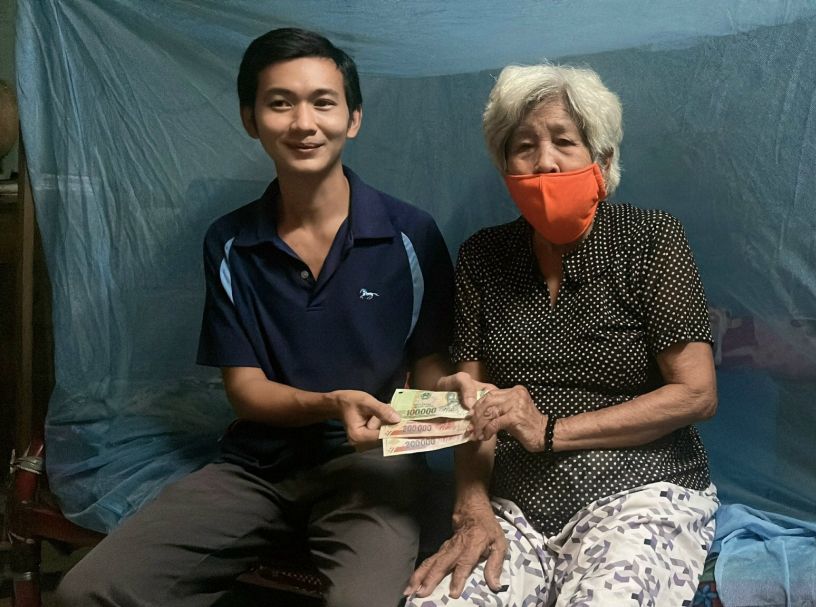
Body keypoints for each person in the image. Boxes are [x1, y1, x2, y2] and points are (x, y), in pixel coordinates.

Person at [57, 27, 455, 606]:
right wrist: (330, 403)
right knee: (87, 591)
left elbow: (431, 368)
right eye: (280, 103)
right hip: (256, 468)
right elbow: (245, 390)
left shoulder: (411, 235)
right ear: (251, 119)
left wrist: (448, 401)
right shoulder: (229, 241)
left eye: (323, 102)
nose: (303, 123)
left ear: (353, 118)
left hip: (371, 467)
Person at [405, 64, 720, 607]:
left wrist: (550, 430)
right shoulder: (483, 256)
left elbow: (696, 394)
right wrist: (472, 508)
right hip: (514, 506)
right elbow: (471, 406)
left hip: (639, 491)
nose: (544, 161)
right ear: (505, 166)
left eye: (564, 142)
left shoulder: (651, 239)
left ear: (603, 160)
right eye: (524, 146)